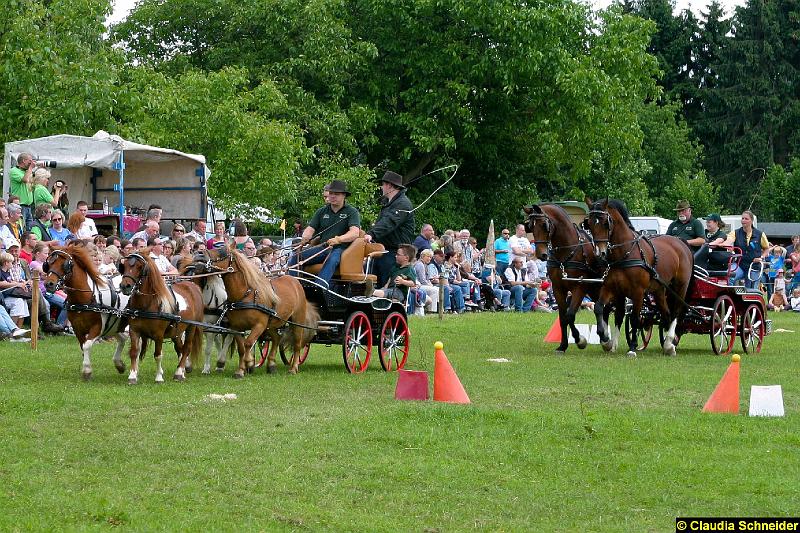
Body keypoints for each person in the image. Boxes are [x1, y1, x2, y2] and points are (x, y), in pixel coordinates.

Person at [289, 180, 361, 288]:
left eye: (336, 194)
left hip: (341, 249)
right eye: (331, 193)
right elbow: (310, 228)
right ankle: (295, 288)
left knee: (332, 259)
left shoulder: (352, 212)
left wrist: (339, 239)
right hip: (323, 247)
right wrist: (306, 236)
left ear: (344, 196)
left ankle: (318, 288)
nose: (332, 196)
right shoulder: (321, 211)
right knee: (295, 257)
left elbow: (355, 233)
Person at [364, 171, 415, 287]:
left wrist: (371, 233)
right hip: (383, 250)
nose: (382, 187)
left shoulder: (403, 204)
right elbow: (382, 222)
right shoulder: (388, 203)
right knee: (374, 283)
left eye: (383, 184)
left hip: (395, 253)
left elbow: (389, 222)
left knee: (389, 286)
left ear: (389, 185)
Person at [728, 210, 769, 289]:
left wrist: (761, 257)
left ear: (751, 221)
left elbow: (766, 248)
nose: (743, 220)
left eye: (746, 219)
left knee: (751, 290)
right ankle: (731, 297)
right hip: (739, 264)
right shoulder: (735, 233)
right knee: (729, 276)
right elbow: (729, 241)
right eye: (742, 218)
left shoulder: (760, 234)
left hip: (754, 266)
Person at [9, 153, 36, 230]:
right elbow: (25, 180)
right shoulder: (14, 171)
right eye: (30, 161)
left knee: (29, 229)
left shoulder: (27, 171)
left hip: (29, 206)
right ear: (24, 161)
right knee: (20, 229)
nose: (31, 163)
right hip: (19, 206)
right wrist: (30, 168)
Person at [413, 249, 441, 314]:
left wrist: (430, 282)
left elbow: (426, 279)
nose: (429, 258)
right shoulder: (420, 265)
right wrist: (430, 285)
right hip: (418, 285)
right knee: (434, 290)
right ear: (422, 256)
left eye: (430, 257)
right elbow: (422, 280)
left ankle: (438, 309)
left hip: (421, 284)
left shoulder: (424, 265)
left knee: (437, 289)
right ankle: (431, 311)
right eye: (428, 256)